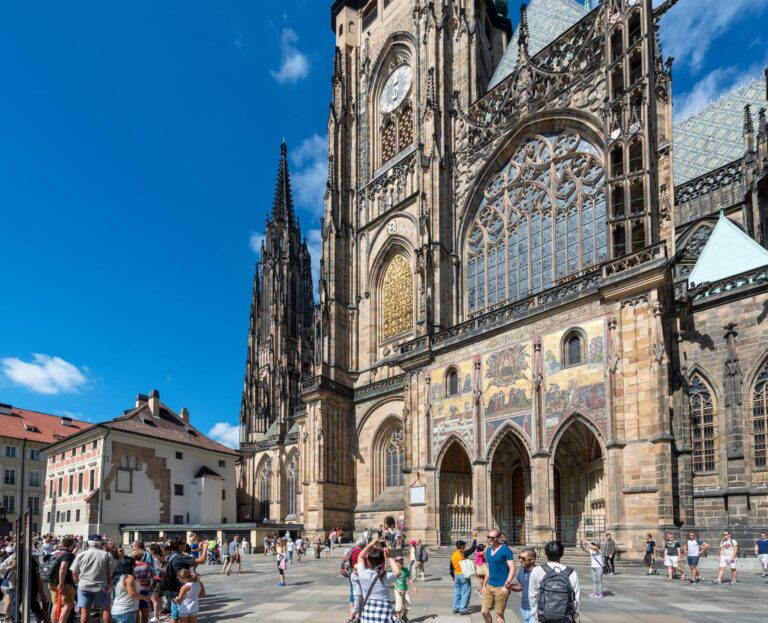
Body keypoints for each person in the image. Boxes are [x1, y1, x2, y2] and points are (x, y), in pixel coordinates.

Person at [528, 541, 579, 623]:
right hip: (565, 617)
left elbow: (532, 596)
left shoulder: (536, 570)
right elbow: (576, 599)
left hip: (543, 617)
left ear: (546, 553)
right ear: (562, 553)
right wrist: (574, 615)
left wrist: (536, 616)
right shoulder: (571, 572)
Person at [355, 540, 400, 623]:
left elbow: (360, 557)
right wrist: (389, 557)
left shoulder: (363, 574)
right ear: (383, 561)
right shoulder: (385, 575)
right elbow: (397, 572)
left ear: (368, 561)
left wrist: (370, 544)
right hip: (384, 612)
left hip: (368, 613)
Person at [72, 535, 113, 623]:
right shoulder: (106, 555)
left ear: (88, 543)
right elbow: (110, 572)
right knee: (106, 608)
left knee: (85, 611)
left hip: (84, 585)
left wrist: (76, 582)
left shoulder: (81, 555)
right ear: (100, 543)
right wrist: (110, 584)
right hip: (102, 585)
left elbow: (74, 572)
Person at [481, 529, 516, 623]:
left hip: (501, 587)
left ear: (499, 538)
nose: (490, 539)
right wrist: (484, 585)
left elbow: (512, 569)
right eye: (488, 537)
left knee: (499, 614)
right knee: (484, 611)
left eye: (492, 538)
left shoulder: (506, 550)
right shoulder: (488, 550)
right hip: (490, 585)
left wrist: (506, 585)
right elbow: (488, 569)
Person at [48, 537, 77, 623]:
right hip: (64, 583)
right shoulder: (68, 554)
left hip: (52, 582)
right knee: (68, 605)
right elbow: (63, 567)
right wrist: (61, 583)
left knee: (56, 604)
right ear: (70, 545)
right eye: (73, 546)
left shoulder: (54, 552)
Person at [112, 556, 148, 623]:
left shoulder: (118, 576)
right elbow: (132, 594)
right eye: (134, 564)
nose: (135, 566)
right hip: (126, 611)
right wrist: (145, 598)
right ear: (129, 565)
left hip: (117, 609)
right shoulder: (129, 577)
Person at [449, 536, 477, 615]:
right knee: (465, 591)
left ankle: (456, 607)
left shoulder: (453, 555)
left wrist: (452, 575)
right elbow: (473, 548)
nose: (465, 546)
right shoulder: (463, 553)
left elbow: (451, 567)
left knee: (457, 591)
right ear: (461, 546)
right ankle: (463, 609)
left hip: (457, 575)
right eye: (464, 545)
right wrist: (474, 538)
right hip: (464, 575)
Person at [510, 548, 536, 623]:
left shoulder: (538, 572)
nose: (520, 560)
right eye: (519, 557)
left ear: (532, 560)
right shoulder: (522, 570)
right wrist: (510, 587)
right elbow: (520, 586)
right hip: (523, 608)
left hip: (534, 609)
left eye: (523, 558)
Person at [393, 555, 416, 622]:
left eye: (402, 562)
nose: (401, 563)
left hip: (405, 590)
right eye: (400, 562)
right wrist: (397, 589)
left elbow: (409, 578)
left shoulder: (405, 569)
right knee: (399, 607)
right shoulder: (395, 570)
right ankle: (398, 620)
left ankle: (404, 616)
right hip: (398, 591)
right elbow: (393, 582)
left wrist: (414, 587)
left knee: (408, 605)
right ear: (396, 563)